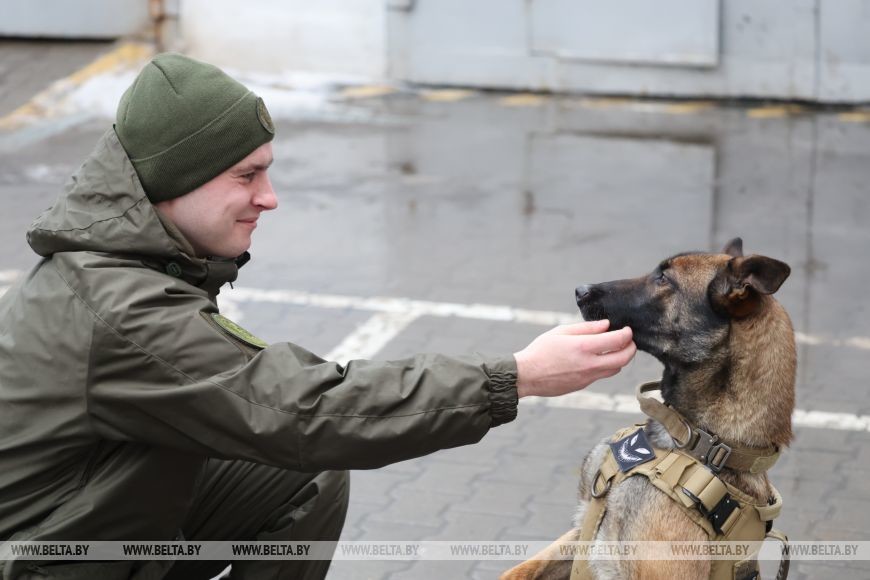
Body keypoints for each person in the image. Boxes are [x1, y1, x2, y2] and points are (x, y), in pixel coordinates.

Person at [0, 53, 636, 580]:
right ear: (173, 182)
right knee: (299, 447)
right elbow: (303, 411)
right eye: (246, 176)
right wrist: (515, 376)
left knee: (296, 479)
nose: (267, 199)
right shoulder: (116, 306)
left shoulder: (118, 264)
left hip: (80, 517)